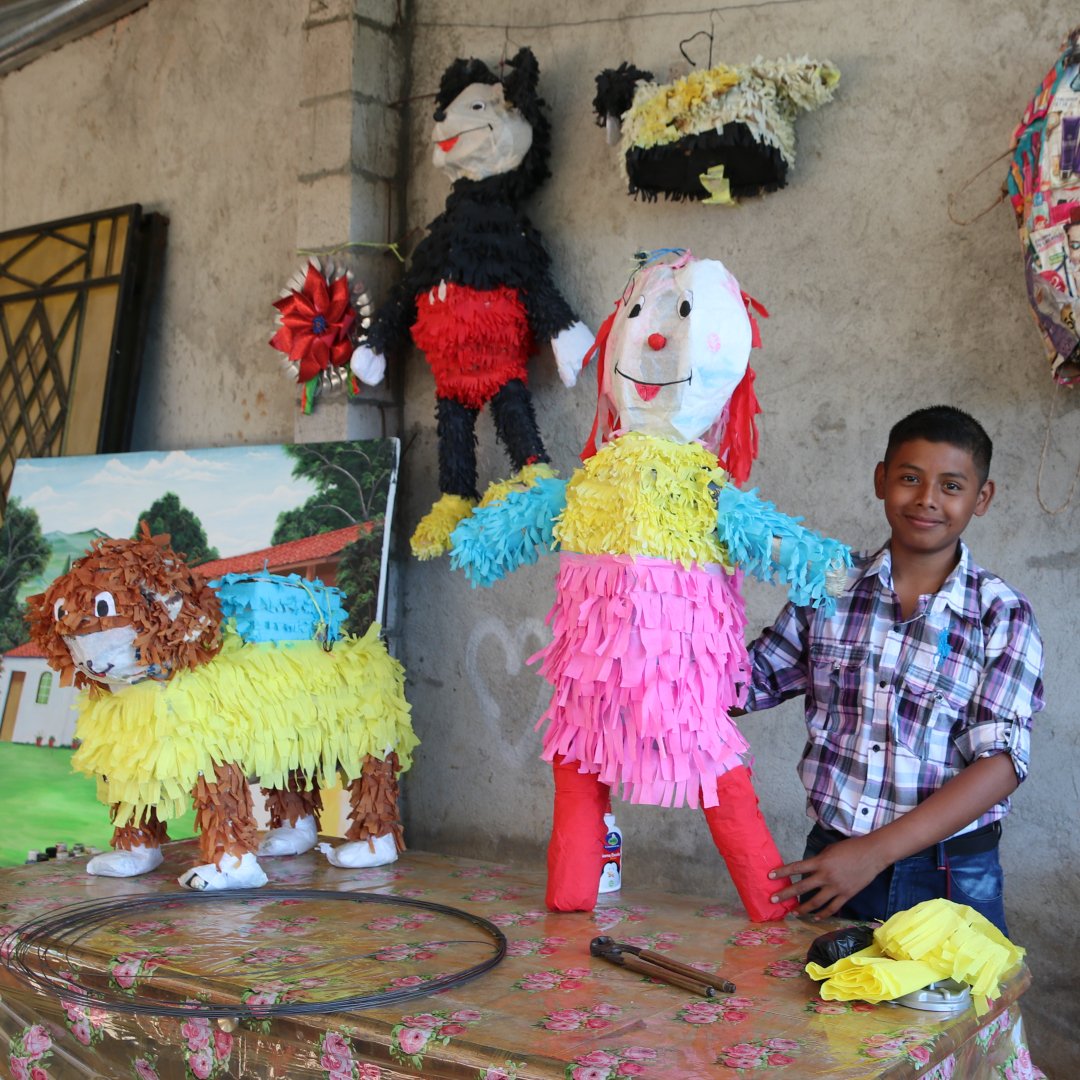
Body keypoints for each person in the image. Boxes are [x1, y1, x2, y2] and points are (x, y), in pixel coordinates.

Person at [740, 405, 1044, 934]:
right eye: (909, 478)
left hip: (948, 876)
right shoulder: (833, 582)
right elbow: (753, 680)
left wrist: (872, 854)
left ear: (982, 498)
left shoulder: (1001, 612)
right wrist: (674, 622)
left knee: (945, 1015)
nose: (927, 498)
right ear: (882, 480)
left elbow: (1000, 765)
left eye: (951, 486)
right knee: (820, 1012)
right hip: (833, 863)